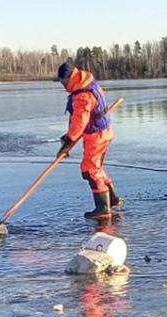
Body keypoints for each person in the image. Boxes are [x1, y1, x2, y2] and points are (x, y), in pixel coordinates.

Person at [56, 62, 123, 220]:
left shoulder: (82, 95)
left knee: (90, 170)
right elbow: (85, 117)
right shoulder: (88, 84)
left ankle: (103, 209)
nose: (62, 85)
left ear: (68, 78)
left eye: (62, 81)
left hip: (96, 136)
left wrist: (68, 142)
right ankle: (113, 199)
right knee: (96, 167)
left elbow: (80, 122)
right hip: (104, 132)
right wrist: (69, 136)